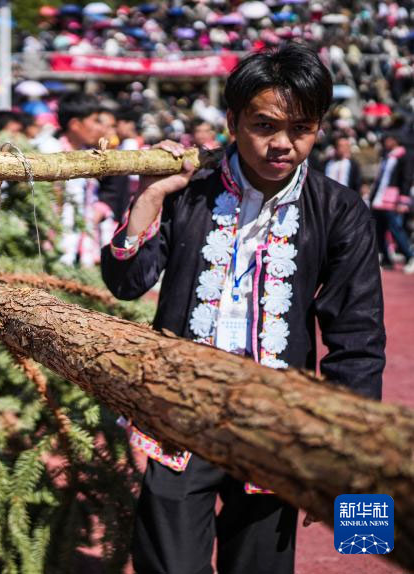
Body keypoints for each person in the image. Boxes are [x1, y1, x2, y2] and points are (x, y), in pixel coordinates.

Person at [101, 43, 385, 574]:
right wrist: (148, 197)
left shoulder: (341, 211)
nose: (282, 145)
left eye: (301, 129)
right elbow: (125, 283)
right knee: (168, 566)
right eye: (264, 126)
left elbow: (357, 338)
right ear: (232, 121)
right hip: (180, 416)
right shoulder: (190, 192)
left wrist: (344, 468)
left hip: (275, 427)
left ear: (319, 127)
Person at [38, 93, 109, 267]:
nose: (101, 127)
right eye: (95, 120)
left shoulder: (88, 153)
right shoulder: (49, 151)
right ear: (76, 124)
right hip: (53, 245)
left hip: (78, 243)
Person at [369, 132, 414, 272]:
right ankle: (386, 259)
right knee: (379, 229)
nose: (386, 142)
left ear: (395, 140)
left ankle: (410, 256)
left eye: (388, 139)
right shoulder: (386, 156)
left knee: (395, 228)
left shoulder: (403, 156)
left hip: (393, 199)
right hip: (379, 198)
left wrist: (403, 200)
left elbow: (406, 178)